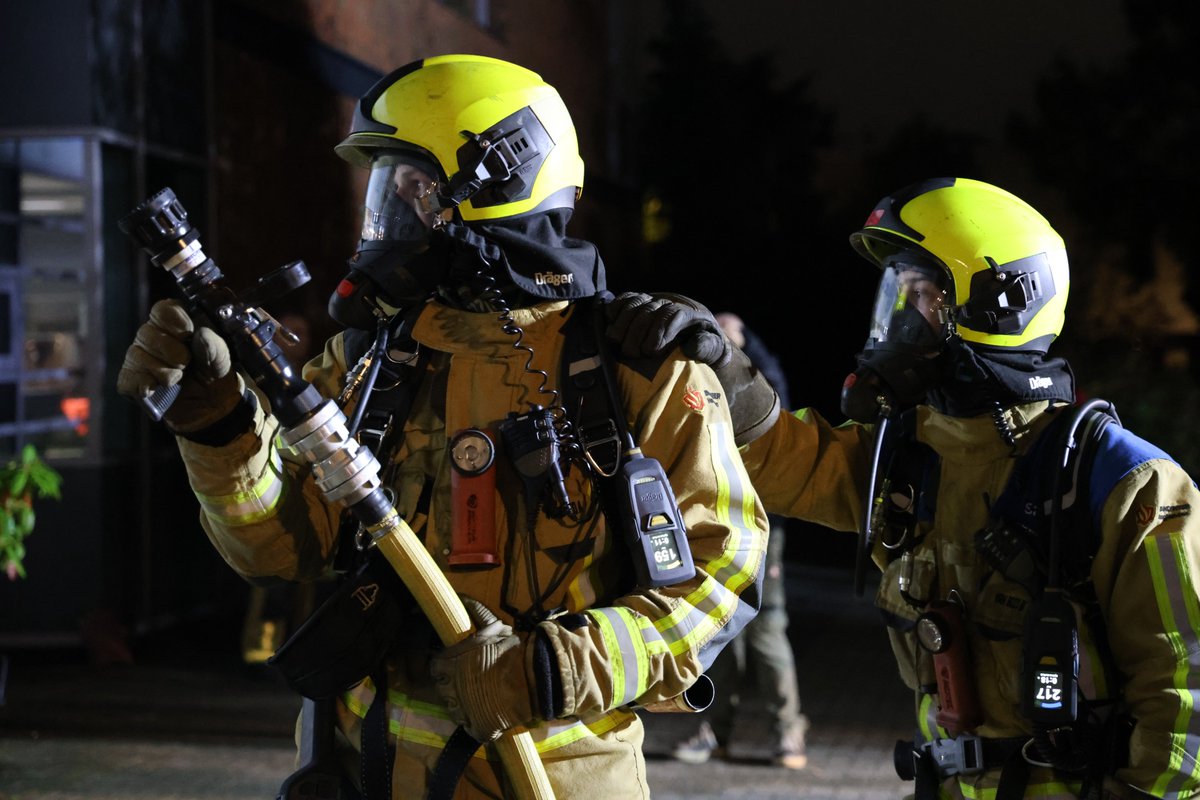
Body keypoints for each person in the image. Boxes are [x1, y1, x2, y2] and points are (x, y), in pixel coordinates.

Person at [116, 54, 767, 800]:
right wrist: (219, 427)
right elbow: (277, 547)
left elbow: (721, 578)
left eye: (412, 186)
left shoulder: (640, 370)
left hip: (544, 780)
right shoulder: (369, 359)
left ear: (495, 187)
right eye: (387, 188)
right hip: (359, 770)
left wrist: (552, 668)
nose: (390, 210)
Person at [608, 177, 1200, 799]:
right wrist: (720, 370)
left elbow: (1186, 691)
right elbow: (786, 462)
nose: (898, 319)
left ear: (998, 303)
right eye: (896, 293)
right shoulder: (906, 452)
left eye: (919, 294)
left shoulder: (1127, 484)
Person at [672, 313, 808, 769]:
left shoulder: (760, 385)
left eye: (727, 340)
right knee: (717, 629)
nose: (717, 349)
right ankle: (715, 733)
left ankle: (788, 734)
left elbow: (780, 448)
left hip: (765, 527)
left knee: (768, 631)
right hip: (715, 525)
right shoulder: (697, 382)